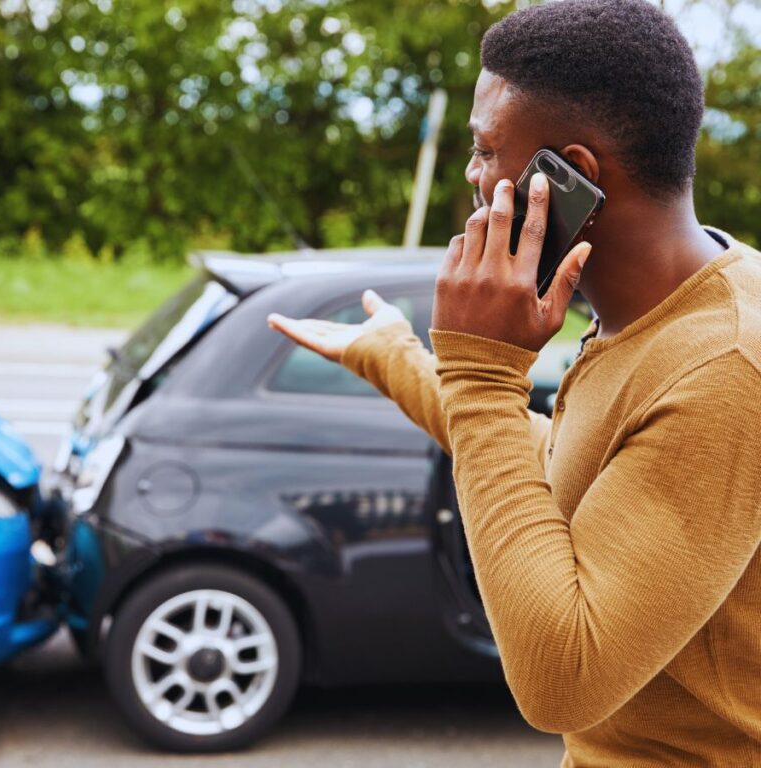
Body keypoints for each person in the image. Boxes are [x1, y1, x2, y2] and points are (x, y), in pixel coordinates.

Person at [267, 0, 761, 765]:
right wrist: (398, 359)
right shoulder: (670, 309)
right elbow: (579, 463)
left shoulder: (728, 368)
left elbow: (562, 681)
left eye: (488, 149)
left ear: (571, 177)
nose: (472, 174)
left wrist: (482, 373)